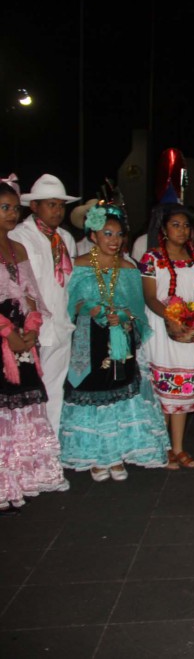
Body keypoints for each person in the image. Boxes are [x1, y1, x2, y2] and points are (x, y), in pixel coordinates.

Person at [59, 205, 169, 481]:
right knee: (92, 392)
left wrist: (123, 316)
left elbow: (137, 310)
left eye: (119, 235)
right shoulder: (78, 265)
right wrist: (89, 308)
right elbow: (67, 304)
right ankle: (98, 457)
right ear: (93, 235)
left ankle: (117, 454)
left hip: (120, 338)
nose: (115, 240)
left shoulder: (129, 268)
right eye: (107, 233)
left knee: (120, 390)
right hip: (88, 338)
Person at [0, 180, 68, 514]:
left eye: (14, 208)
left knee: (26, 407)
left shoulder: (18, 248)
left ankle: (24, 476)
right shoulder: (22, 240)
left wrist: (31, 326)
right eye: (4, 208)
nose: (11, 214)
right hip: (4, 334)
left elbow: (30, 295)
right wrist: (7, 332)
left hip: (25, 333)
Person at [140, 205, 194, 469]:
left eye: (186, 226)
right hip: (163, 327)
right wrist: (171, 318)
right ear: (163, 228)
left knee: (183, 390)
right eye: (176, 225)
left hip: (190, 328)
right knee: (163, 391)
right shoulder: (152, 257)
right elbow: (150, 296)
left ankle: (178, 447)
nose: (182, 230)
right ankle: (161, 448)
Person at [11, 174, 79, 432]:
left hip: (60, 326)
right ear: (34, 206)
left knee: (54, 392)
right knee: (25, 393)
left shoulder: (66, 238)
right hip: (30, 329)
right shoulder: (19, 236)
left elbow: (67, 286)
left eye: (61, 205)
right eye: (51, 204)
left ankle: (51, 448)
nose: (58, 211)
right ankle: (24, 449)